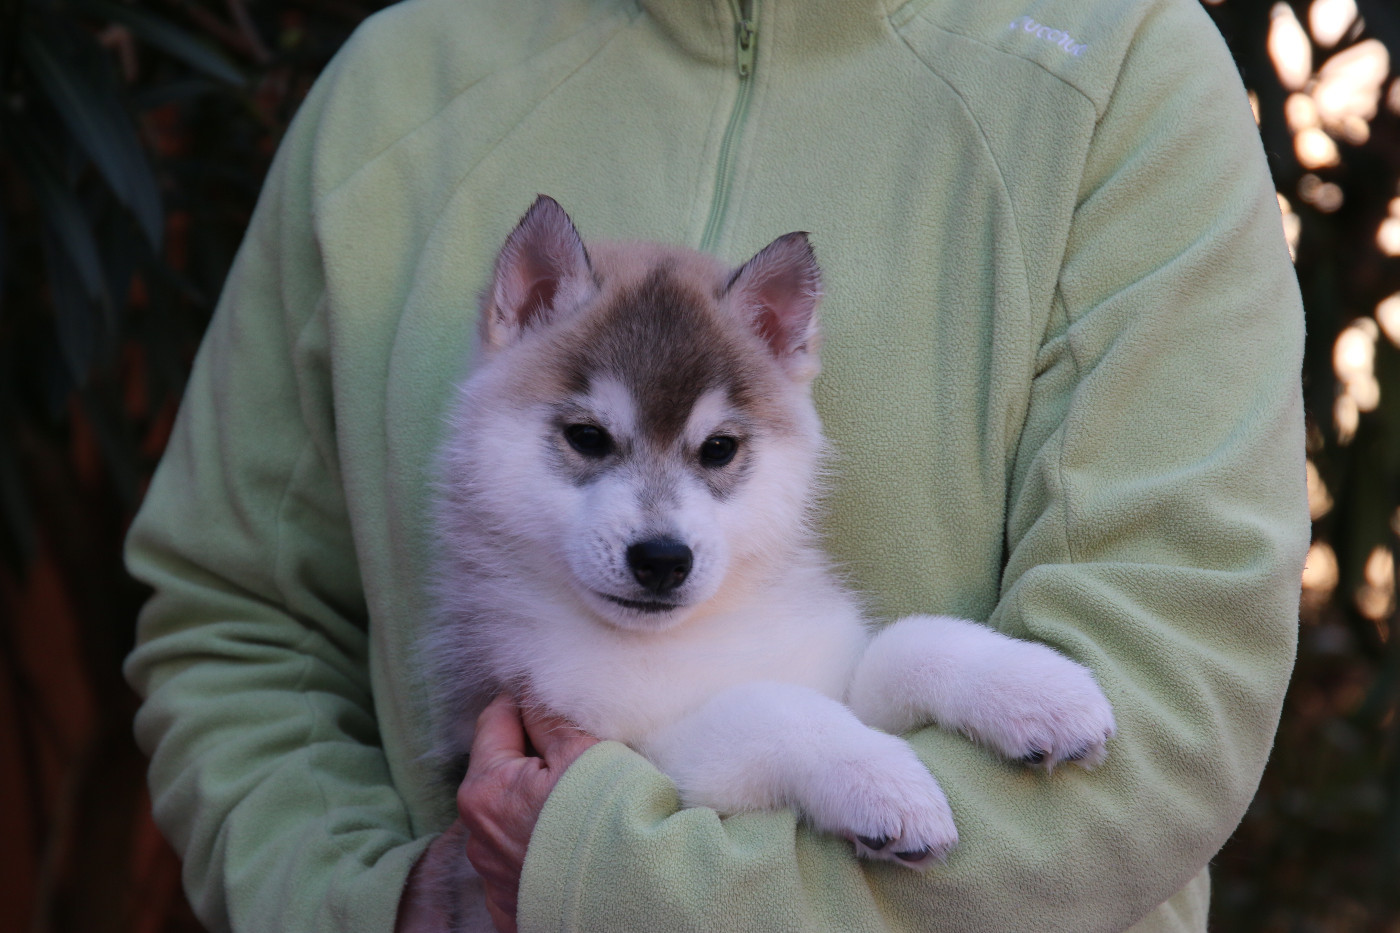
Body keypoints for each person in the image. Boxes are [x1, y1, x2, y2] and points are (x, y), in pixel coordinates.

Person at [123, 0, 1310, 930]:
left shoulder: (1116, 74)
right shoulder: (395, 89)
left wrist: (615, 885)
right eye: (585, 440)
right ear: (520, 302)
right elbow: (236, 624)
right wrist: (368, 906)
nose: (655, 525)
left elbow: (1165, 690)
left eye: (713, 458)